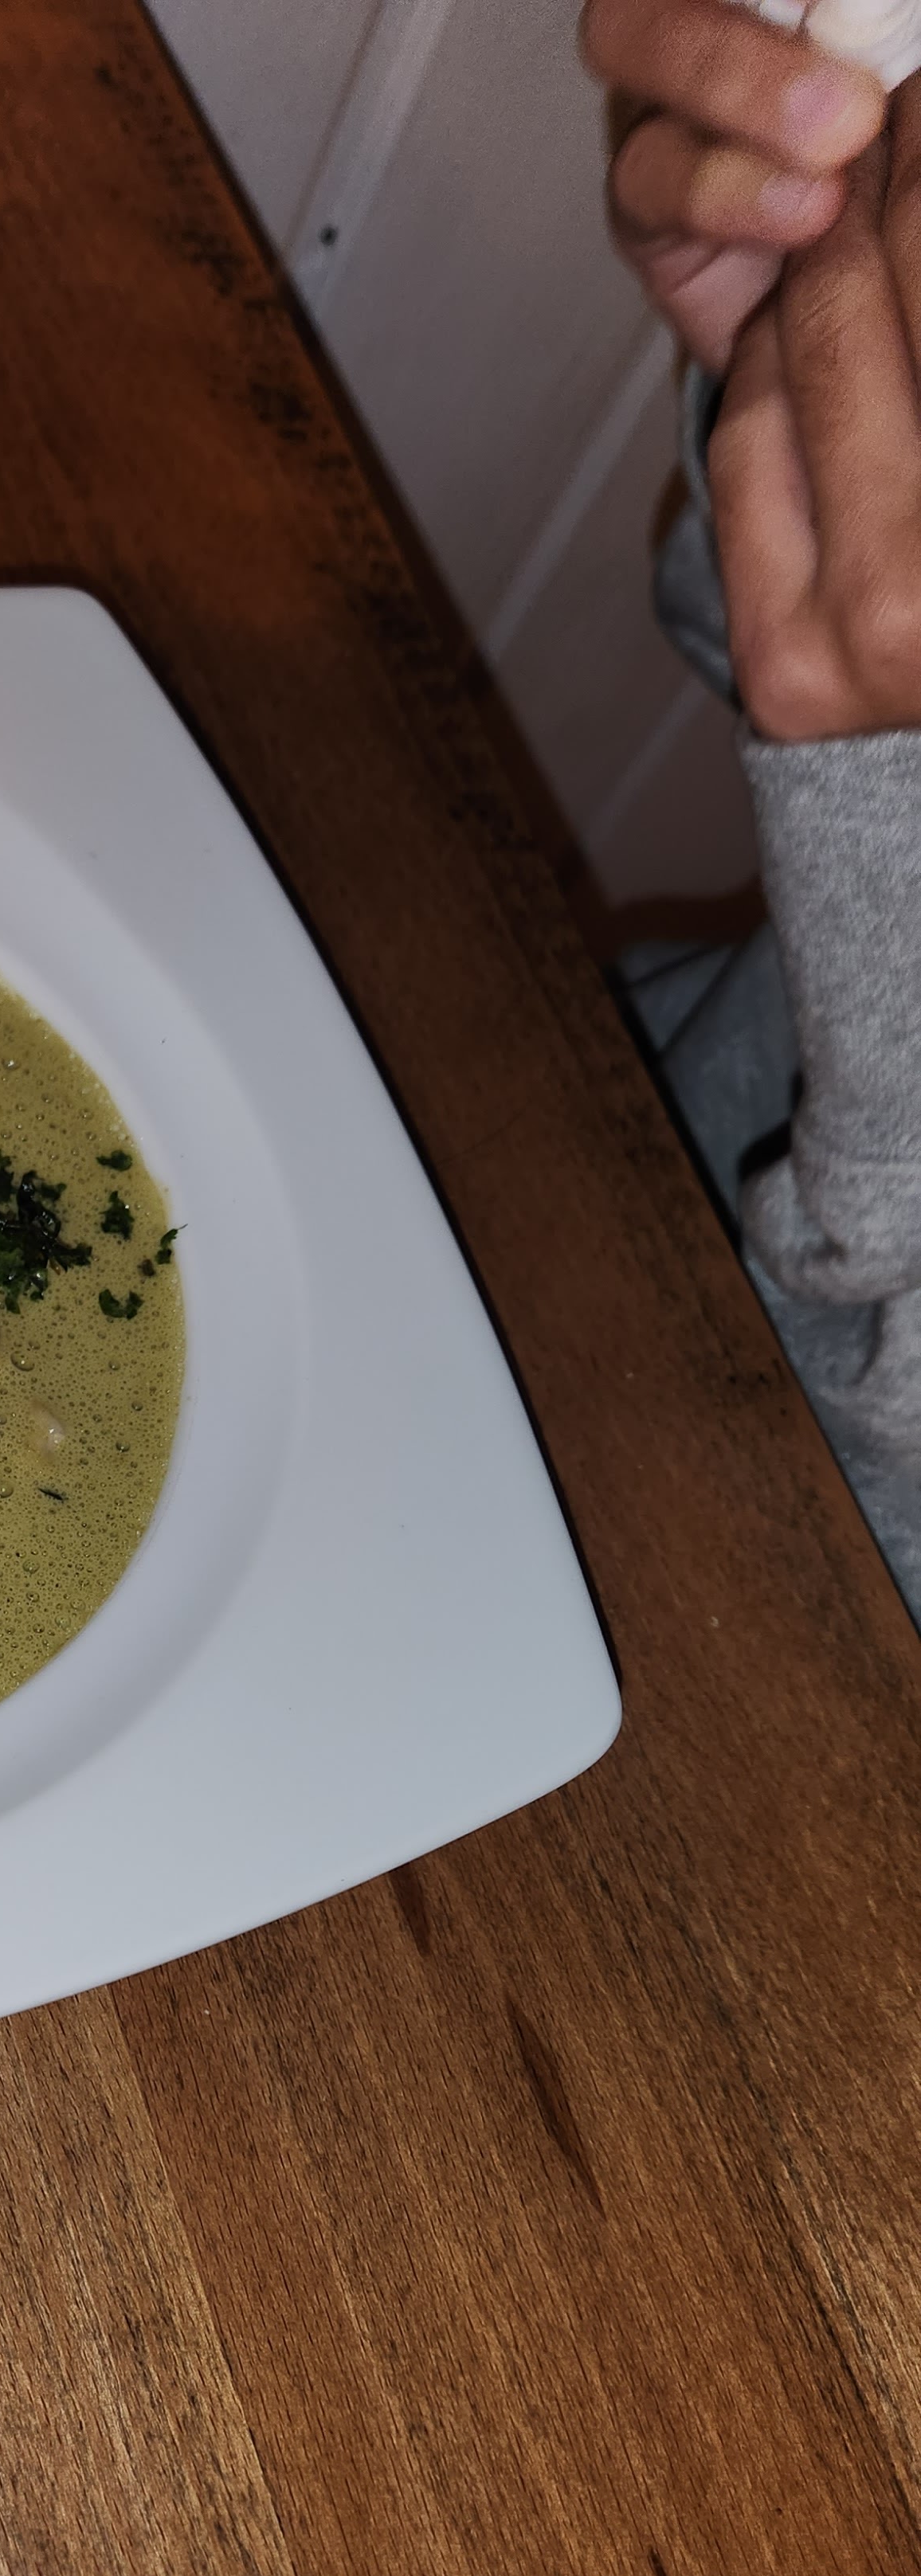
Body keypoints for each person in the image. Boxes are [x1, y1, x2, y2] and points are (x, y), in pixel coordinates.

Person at [583, 0, 921, 1607]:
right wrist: (788, 389)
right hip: (613, 1107)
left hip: (771, 1588)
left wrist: (879, 784)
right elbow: (758, 661)